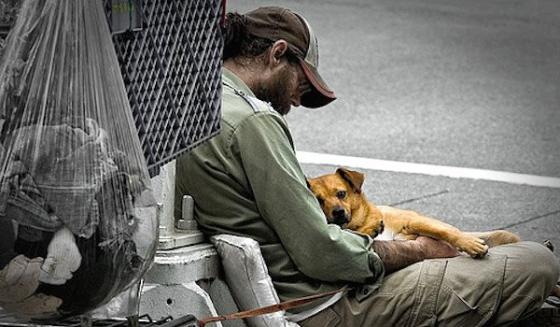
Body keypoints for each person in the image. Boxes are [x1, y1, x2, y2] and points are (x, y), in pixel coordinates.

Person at [175, 6, 559, 326]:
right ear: (277, 53)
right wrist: (416, 251)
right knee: (538, 262)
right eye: (301, 86)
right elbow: (321, 251)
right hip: (330, 304)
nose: (294, 100)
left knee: (499, 252)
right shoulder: (254, 122)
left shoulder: (192, 106)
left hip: (288, 291)